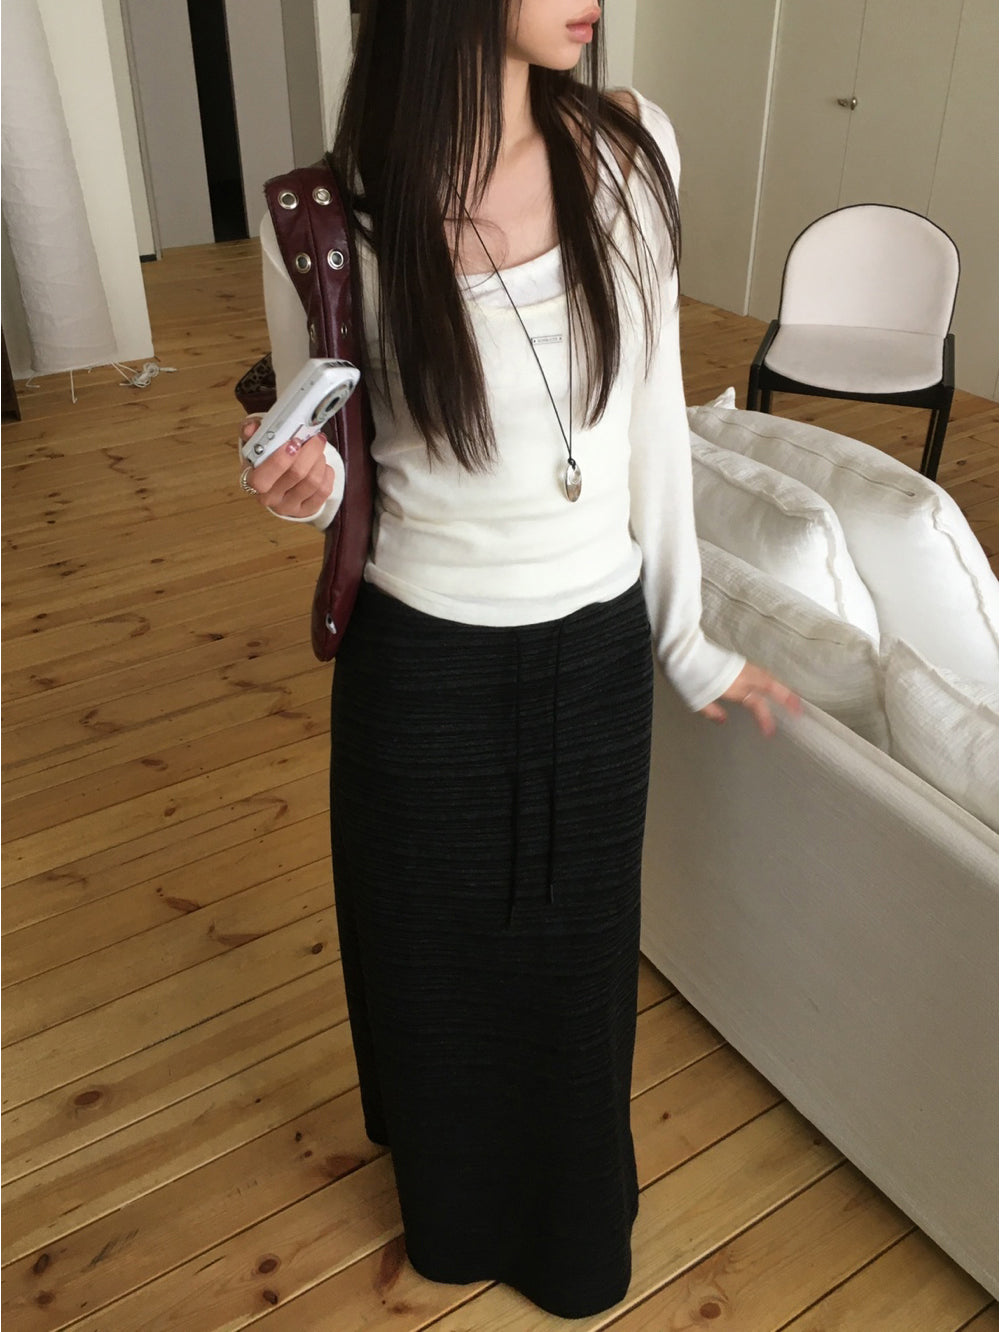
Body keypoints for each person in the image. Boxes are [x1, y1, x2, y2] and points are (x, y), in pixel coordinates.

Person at [236, 0, 799, 1318]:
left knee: (574, 971)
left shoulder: (634, 152)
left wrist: (688, 640)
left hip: (591, 650)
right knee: (432, 967)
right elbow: (346, 464)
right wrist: (306, 489)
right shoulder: (325, 216)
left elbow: (655, 414)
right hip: (416, 658)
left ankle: (572, 1236)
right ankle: (453, 1216)